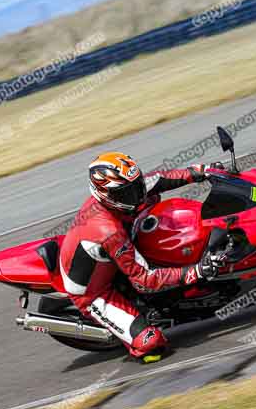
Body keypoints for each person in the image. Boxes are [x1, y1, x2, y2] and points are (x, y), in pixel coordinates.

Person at [59, 152, 226, 362]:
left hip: (112, 251)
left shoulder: (123, 193)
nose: (137, 195)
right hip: (95, 292)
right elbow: (144, 281)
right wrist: (196, 271)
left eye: (136, 186)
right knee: (151, 344)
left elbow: (159, 179)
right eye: (128, 193)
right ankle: (133, 337)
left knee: (154, 199)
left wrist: (202, 171)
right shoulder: (108, 231)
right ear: (106, 195)